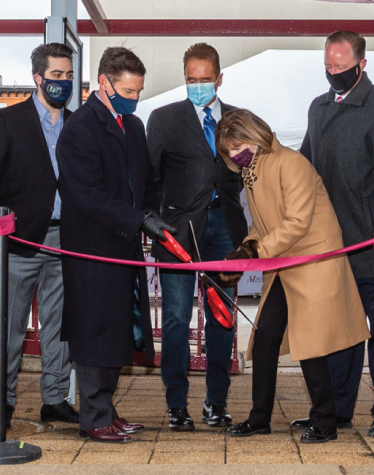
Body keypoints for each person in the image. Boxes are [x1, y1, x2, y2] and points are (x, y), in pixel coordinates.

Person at [212, 109, 372, 443]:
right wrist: (244, 250)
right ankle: (260, 418)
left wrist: (255, 252)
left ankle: (325, 421)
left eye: (237, 145)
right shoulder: (252, 170)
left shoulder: (291, 162)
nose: (233, 154)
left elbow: (297, 222)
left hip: (315, 261)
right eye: (228, 150)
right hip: (286, 263)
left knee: (311, 343)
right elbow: (263, 224)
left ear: (255, 134)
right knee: (267, 336)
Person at [296, 30, 374, 436]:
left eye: (341, 67)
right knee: (339, 332)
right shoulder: (319, 108)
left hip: (371, 245)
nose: (333, 73)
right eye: (328, 66)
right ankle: (338, 409)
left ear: (362, 64)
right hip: (330, 246)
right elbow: (304, 167)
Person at [56, 46, 161, 444]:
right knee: (94, 330)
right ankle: (93, 415)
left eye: (138, 92)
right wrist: (138, 220)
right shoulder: (80, 129)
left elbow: (146, 180)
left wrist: (150, 212)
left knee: (118, 328)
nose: (134, 100)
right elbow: (87, 195)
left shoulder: (133, 127)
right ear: (104, 83)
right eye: (128, 92)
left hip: (125, 246)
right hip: (92, 248)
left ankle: (107, 409)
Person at [0, 42, 80, 425]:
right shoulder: (7, 122)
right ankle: (2, 402)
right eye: (56, 76)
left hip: (65, 240)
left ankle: (54, 399)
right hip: (18, 242)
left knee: (60, 325)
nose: (63, 82)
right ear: (38, 77)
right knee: (10, 326)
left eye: (68, 76)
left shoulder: (77, 123)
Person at [144, 42, 248, 431]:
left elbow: (252, 176)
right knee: (174, 320)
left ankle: (216, 403)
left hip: (225, 230)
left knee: (222, 320)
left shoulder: (238, 120)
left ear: (219, 79)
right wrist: (154, 222)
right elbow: (149, 180)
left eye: (205, 80)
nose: (199, 86)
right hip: (177, 233)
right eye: (192, 80)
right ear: (184, 79)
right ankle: (176, 405)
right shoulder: (165, 118)